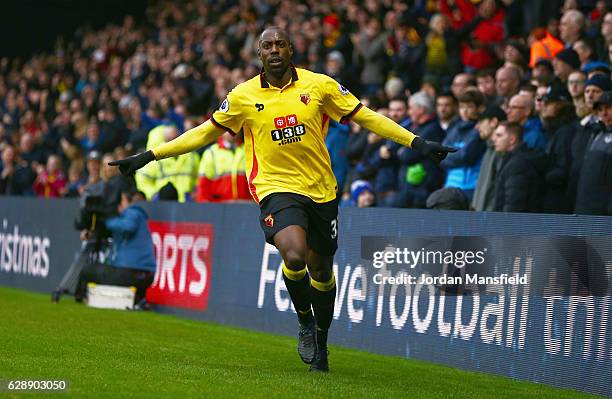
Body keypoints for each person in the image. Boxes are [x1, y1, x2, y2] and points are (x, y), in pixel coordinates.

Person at [109, 27, 455, 372]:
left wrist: (416, 142)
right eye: (267, 46)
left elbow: (366, 117)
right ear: (259, 54)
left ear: (291, 49)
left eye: (280, 44)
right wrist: (151, 155)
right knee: (293, 253)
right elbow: (204, 132)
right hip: (275, 187)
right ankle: (305, 321)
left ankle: (322, 338)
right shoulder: (243, 96)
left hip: (321, 190)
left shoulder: (319, 85)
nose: (274, 50)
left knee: (321, 269)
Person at [76, 189, 156, 304]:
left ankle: (82, 298)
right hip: (143, 275)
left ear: (123, 200)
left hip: (131, 273)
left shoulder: (132, 213)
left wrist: (107, 220)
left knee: (87, 270)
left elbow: (128, 226)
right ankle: (137, 301)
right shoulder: (136, 216)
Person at [491, 121, 547, 212]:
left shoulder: (517, 165)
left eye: (499, 135)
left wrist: (503, 224)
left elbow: (514, 204)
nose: (494, 139)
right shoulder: (512, 160)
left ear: (512, 139)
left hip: (514, 224)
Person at [574, 91, 612, 215]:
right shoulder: (595, 134)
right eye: (600, 109)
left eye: (608, 108)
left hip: (605, 213)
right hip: (586, 208)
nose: (604, 113)